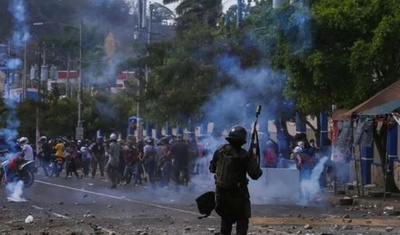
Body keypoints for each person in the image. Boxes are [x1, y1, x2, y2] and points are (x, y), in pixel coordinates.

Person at [209, 125, 263, 235]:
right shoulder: (244, 155)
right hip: (238, 194)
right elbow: (255, 175)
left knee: (226, 221)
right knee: (242, 221)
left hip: (221, 193)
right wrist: (253, 160)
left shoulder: (219, 151)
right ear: (242, 141)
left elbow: (212, 169)